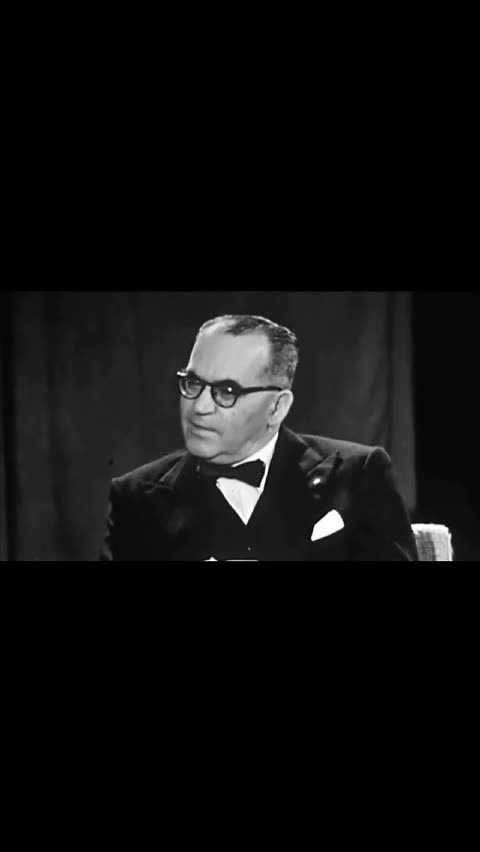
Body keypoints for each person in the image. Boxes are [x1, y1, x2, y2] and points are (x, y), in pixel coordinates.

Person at [98, 314, 418, 561]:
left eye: (227, 391)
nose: (199, 407)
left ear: (277, 408)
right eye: (193, 383)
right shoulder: (135, 498)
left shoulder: (358, 475)